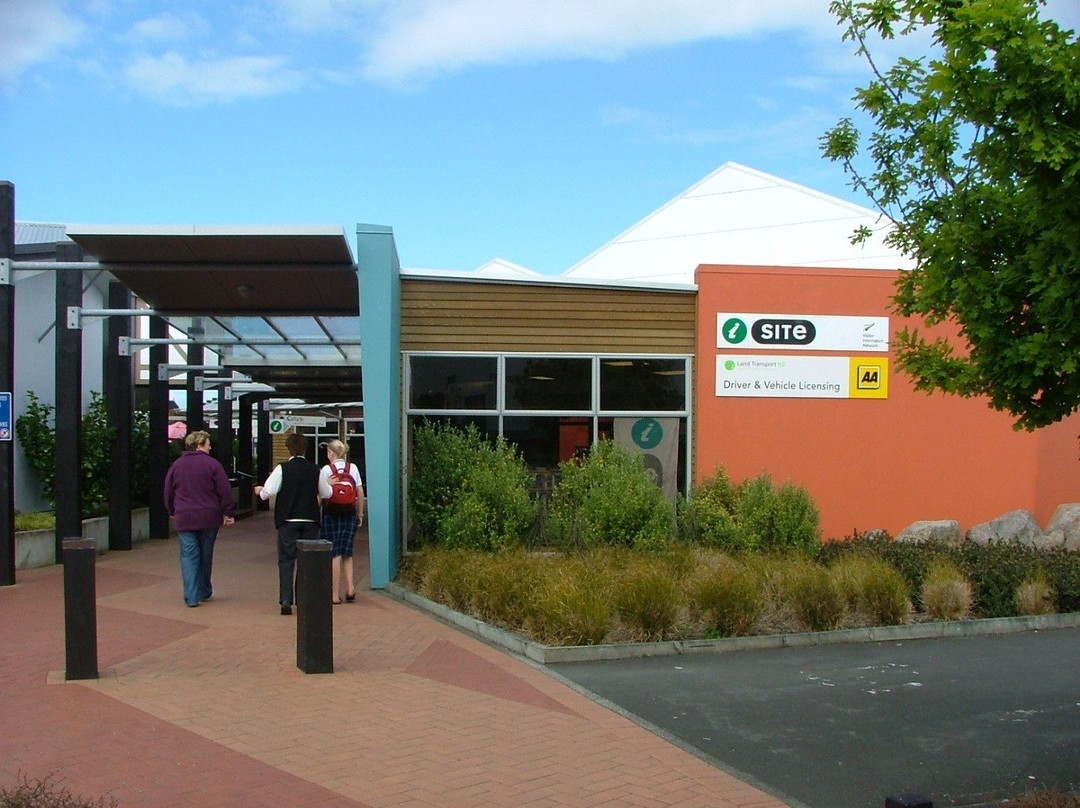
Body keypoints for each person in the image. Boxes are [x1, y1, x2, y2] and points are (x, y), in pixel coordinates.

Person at [254, 432, 331, 615]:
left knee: (287, 561)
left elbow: (269, 492)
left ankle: (286, 599)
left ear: (289, 448)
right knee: (308, 562)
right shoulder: (315, 469)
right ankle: (305, 600)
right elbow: (327, 493)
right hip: (310, 521)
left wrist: (260, 491)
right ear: (306, 449)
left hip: (287, 521)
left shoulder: (282, 469)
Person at [163, 431, 236, 608]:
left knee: (188, 555)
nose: (210, 446)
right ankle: (204, 590)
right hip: (209, 516)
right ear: (199, 444)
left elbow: (168, 490)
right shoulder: (213, 465)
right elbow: (224, 490)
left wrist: (171, 510)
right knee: (205, 553)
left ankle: (191, 596)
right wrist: (228, 512)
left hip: (185, 516)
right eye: (208, 443)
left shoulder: (177, 465)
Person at [318, 439, 365, 604]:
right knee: (347, 552)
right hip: (349, 514)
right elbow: (359, 491)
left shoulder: (326, 470)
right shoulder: (353, 468)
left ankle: (334, 594)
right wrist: (360, 513)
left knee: (335, 553)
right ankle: (351, 588)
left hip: (331, 514)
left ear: (330, 453)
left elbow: (321, 494)